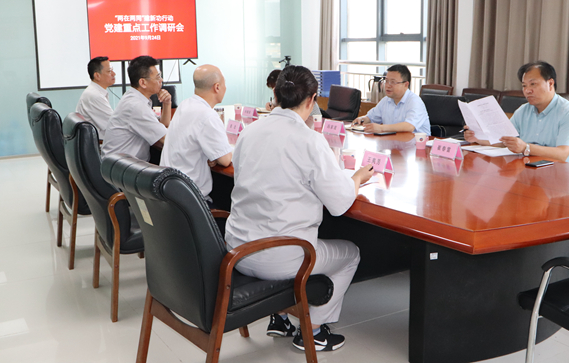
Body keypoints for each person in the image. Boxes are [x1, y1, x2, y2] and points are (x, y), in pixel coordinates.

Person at [225, 65, 374, 352]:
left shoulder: (249, 131)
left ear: (276, 94)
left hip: (238, 250)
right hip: (281, 256)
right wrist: (356, 178)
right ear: (312, 100)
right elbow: (340, 203)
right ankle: (313, 331)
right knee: (350, 254)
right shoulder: (309, 140)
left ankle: (280, 318)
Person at [464, 61, 569, 163]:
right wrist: (477, 138)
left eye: (533, 84)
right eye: (524, 86)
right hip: (531, 165)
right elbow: (505, 140)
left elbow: (562, 154)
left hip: (565, 170)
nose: (527, 91)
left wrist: (526, 147)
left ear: (550, 83)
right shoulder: (523, 110)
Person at [160, 65, 232, 208]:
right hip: (191, 203)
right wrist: (216, 157)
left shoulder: (184, 105)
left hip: (169, 194)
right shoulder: (208, 115)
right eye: (224, 84)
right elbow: (225, 160)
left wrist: (211, 157)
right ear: (217, 87)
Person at [101, 55, 171, 161]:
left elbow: (163, 126)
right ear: (143, 82)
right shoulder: (136, 106)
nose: (161, 80)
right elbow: (165, 139)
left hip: (121, 163)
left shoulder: (134, 97)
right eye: (157, 77)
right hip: (120, 167)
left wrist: (167, 103)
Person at [352, 64, 430, 135]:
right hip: (394, 142)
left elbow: (409, 126)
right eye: (386, 81)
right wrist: (362, 119)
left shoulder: (414, 101)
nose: (388, 85)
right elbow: (371, 117)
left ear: (406, 84)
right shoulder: (386, 100)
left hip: (417, 144)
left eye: (393, 82)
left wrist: (381, 128)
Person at [76, 56, 115, 140]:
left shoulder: (95, 91)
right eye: (109, 71)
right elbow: (114, 124)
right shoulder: (95, 95)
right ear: (97, 76)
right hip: (100, 143)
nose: (114, 74)